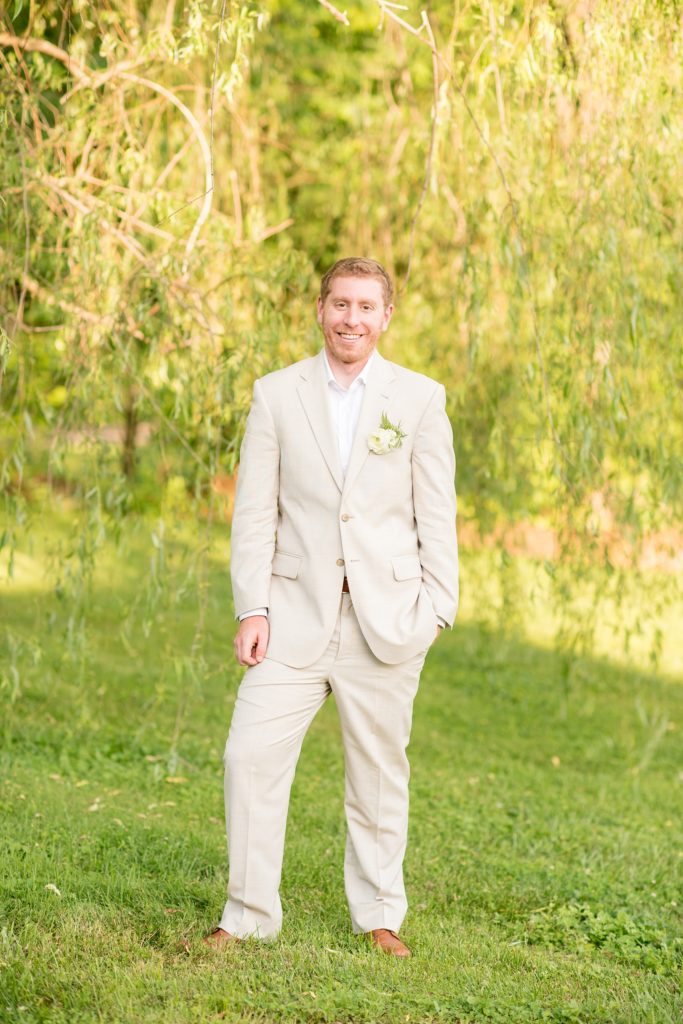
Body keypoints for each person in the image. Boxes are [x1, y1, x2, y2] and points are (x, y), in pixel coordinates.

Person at [204, 257, 459, 957]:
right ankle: (248, 913)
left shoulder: (419, 400)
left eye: (365, 307)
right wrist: (251, 608)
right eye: (339, 304)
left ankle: (379, 914)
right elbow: (254, 513)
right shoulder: (276, 395)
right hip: (291, 616)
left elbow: (435, 513)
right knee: (247, 757)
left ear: (385, 318)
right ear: (319, 310)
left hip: (387, 622)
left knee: (377, 773)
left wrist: (437, 607)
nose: (351, 318)